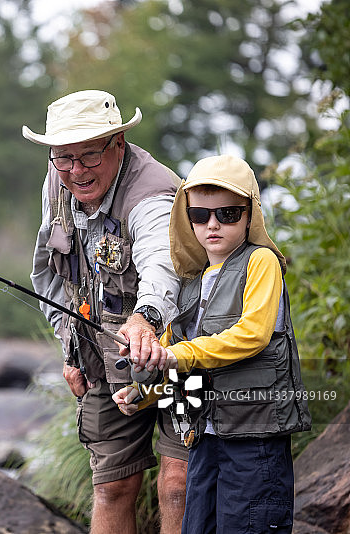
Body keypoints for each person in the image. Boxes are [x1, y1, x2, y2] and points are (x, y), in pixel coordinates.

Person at [113, 154, 312, 533]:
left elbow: (252, 335)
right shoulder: (190, 282)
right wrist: (146, 392)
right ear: (186, 219)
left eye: (228, 214)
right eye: (200, 215)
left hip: (256, 439)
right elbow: (183, 367)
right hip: (205, 437)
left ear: (249, 213)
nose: (213, 225)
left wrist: (174, 354)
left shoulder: (262, 262)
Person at [23, 90, 188, 534]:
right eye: (64, 158)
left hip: (181, 350)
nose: (76, 170)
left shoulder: (151, 193)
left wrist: (145, 318)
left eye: (90, 155)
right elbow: (48, 273)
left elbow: (161, 262)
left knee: (178, 483)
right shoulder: (56, 181)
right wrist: (69, 347)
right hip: (103, 357)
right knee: (112, 485)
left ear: (118, 143)